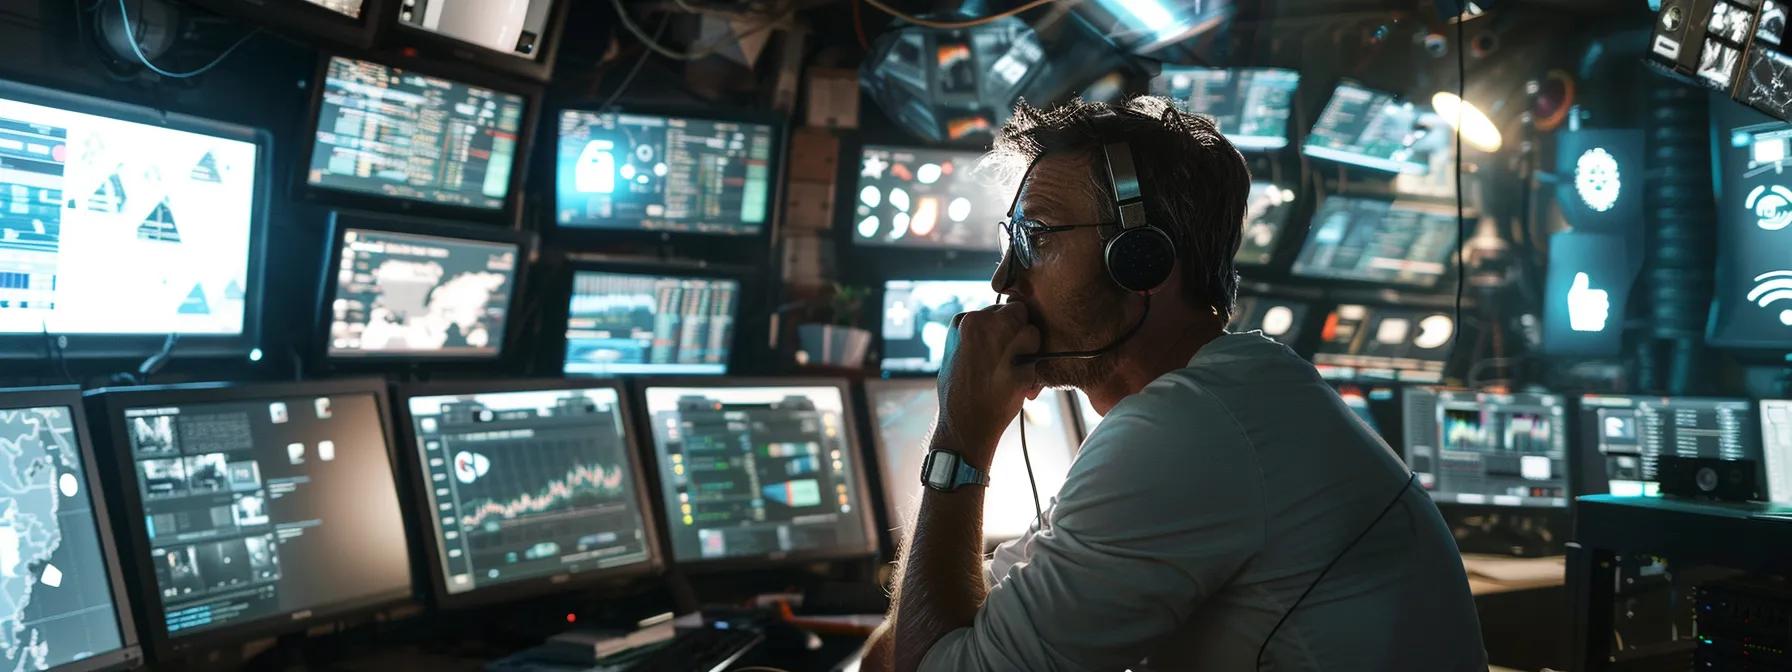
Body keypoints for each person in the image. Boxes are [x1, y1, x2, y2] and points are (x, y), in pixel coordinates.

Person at [861, 97, 1486, 671]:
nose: (1004, 278)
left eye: (1035, 237)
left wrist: (962, 437)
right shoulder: (1235, 398)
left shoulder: (1190, 431)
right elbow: (905, 654)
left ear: (1141, 260)